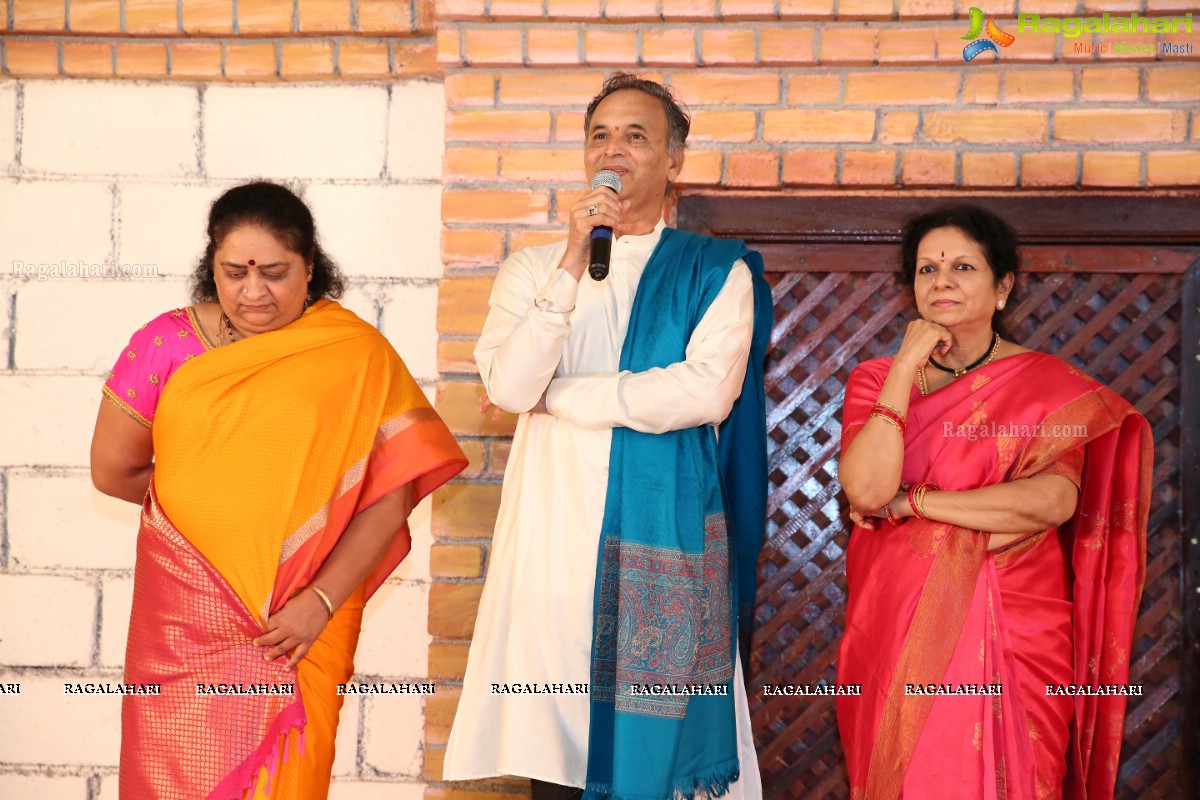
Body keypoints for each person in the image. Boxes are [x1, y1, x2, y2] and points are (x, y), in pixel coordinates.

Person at [442, 73, 773, 800]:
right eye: (599, 135)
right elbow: (508, 388)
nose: (613, 150)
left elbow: (705, 389)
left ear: (673, 160)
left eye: (635, 136)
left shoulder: (715, 272)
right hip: (554, 542)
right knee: (556, 754)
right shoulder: (533, 268)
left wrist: (572, 396)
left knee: (656, 755)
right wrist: (568, 263)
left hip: (662, 541)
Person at [90, 181, 467, 800]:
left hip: (296, 625)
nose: (253, 292)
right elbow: (116, 472)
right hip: (183, 620)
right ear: (210, 266)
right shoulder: (167, 343)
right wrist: (216, 517)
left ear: (310, 268)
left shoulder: (354, 355)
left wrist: (316, 599)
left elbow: (388, 496)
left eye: (275, 272)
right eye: (233, 272)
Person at [836, 204, 1151, 800]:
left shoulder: (1044, 387)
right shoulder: (878, 379)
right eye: (926, 269)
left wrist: (916, 503)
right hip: (895, 619)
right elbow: (869, 490)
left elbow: (1049, 502)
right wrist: (905, 366)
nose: (942, 281)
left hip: (1014, 622)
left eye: (962, 266)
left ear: (1002, 286)